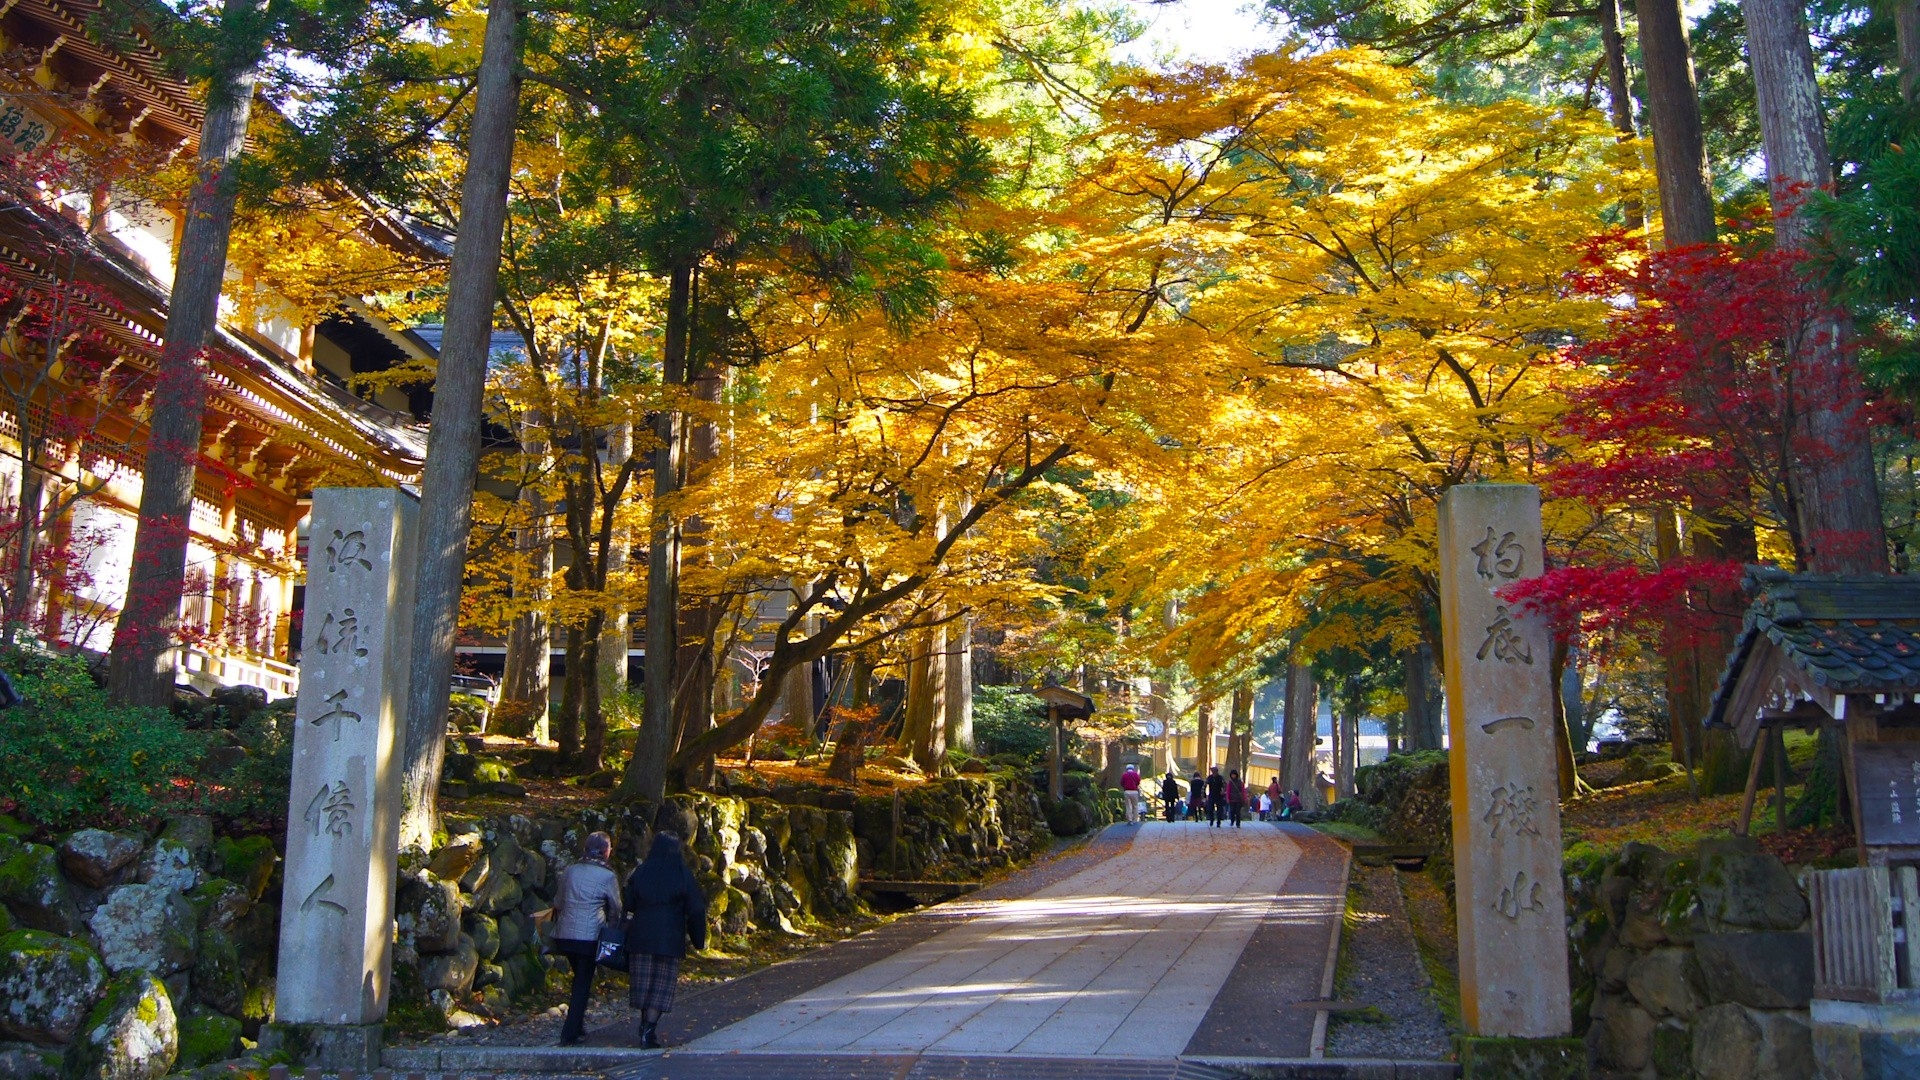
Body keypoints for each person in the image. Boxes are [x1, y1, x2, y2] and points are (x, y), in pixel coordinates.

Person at [622, 832, 709, 1048]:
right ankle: (649, 1030)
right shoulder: (682, 873)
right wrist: (698, 939)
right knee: (660, 986)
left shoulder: (641, 872)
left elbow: (630, 902)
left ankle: (644, 1025)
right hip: (669, 937)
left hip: (641, 935)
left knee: (644, 984)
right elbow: (696, 908)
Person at [551, 831, 623, 1046]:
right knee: (583, 982)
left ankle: (577, 1025)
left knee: (579, 979)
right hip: (590, 936)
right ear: (606, 851)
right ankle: (570, 1032)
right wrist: (612, 927)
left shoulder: (570, 871)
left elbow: (558, 901)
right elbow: (616, 908)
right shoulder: (607, 876)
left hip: (565, 933)